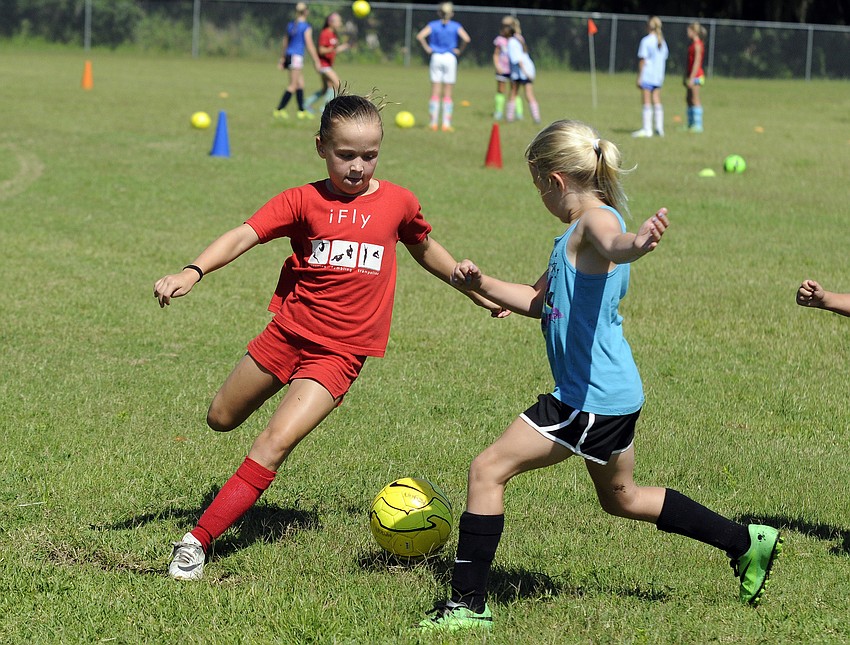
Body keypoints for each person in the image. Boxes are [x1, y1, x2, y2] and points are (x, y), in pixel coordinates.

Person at [417, 119, 783, 632]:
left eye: (537, 186)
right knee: (623, 498)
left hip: (587, 398)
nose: (539, 196)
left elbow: (617, 243)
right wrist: (479, 284)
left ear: (555, 181)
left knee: (487, 470)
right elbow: (536, 300)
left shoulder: (594, 222)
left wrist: (638, 243)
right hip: (614, 393)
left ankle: (466, 605)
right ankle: (746, 542)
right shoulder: (570, 234)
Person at [155, 93, 505, 582]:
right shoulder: (301, 200)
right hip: (287, 334)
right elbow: (244, 234)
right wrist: (193, 271)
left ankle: (197, 541)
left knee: (275, 441)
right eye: (346, 155)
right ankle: (224, 505)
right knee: (221, 418)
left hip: (339, 354)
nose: (358, 167)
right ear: (321, 146)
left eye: (370, 155)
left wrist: (472, 290)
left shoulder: (398, 202)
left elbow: (425, 248)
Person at [415, 2, 471, 132]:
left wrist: (428, 48)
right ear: (451, 13)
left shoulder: (433, 25)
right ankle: (446, 124)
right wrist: (459, 50)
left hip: (436, 57)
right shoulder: (455, 26)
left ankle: (433, 123)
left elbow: (420, 36)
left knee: (435, 91)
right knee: (448, 93)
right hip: (450, 58)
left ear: (439, 12)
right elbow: (466, 39)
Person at [274, 2, 321, 121]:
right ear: (306, 12)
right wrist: (316, 60)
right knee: (293, 85)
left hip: (290, 55)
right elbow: (309, 45)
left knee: (301, 84)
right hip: (296, 57)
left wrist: (283, 58)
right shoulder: (305, 26)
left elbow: (285, 42)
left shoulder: (291, 25)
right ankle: (279, 109)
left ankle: (301, 111)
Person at [304, 12, 349, 116]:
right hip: (323, 65)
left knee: (326, 89)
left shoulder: (333, 34)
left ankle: (306, 104)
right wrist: (331, 49)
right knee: (337, 84)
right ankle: (324, 108)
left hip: (328, 65)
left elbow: (333, 50)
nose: (340, 23)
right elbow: (321, 50)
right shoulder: (325, 33)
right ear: (330, 22)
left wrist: (343, 47)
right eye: (338, 21)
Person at [632, 16, 668, 138]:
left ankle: (647, 129)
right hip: (658, 75)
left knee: (646, 100)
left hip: (647, 74)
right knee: (657, 99)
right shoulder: (662, 41)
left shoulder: (646, 41)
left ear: (649, 27)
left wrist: (639, 77)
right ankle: (659, 128)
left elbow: (642, 60)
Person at [506, 23, 540, 124]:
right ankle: (536, 118)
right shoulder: (519, 39)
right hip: (527, 70)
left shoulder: (512, 41)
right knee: (528, 94)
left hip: (519, 72)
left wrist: (525, 72)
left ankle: (509, 117)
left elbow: (516, 59)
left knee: (513, 93)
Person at [684, 21, 707, 133]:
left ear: (694, 31)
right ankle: (690, 124)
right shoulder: (692, 45)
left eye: (689, 31)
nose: (687, 33)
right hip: (691, 75)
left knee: (695, 99)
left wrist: (692, 78)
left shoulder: (698, 45)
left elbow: (697, 63)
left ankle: (698, 125)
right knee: (688, 99)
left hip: (697, 76)